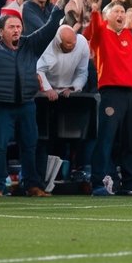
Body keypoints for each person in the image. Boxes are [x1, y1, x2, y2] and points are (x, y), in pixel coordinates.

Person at [0, 0, 70, 197]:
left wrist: (59, 6)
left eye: (18, 27)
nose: (16, 30)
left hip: (27, 104)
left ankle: (32, 185)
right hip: (1, 106)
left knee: (30, 146)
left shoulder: (30, 45)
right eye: (11, 27)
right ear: (1, 31)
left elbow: (50, 28)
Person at [86, 0, 132, 196]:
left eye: (122, 11)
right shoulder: (101, 32)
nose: (120, 14)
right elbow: (92, 29)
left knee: (130, 141)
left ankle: (130, 183)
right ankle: (98, 182)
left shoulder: (128, 35)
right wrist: (94, 11)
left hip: (131, 93)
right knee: (106, 138)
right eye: (116, 11)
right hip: (111, 93)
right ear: (106, 15)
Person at [36, 20, 91, 194]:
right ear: (59, 42)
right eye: (68, 43)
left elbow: (83, 71)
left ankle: (72, 175)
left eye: (73, 42)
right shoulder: (48, 48)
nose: (73, 46)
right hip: (47, 97)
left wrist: (75, 87)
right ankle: (44, 178)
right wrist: (48, 89)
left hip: (69, 95)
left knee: (72, 138)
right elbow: (38, 70)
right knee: (46, 138)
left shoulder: (81, 43)